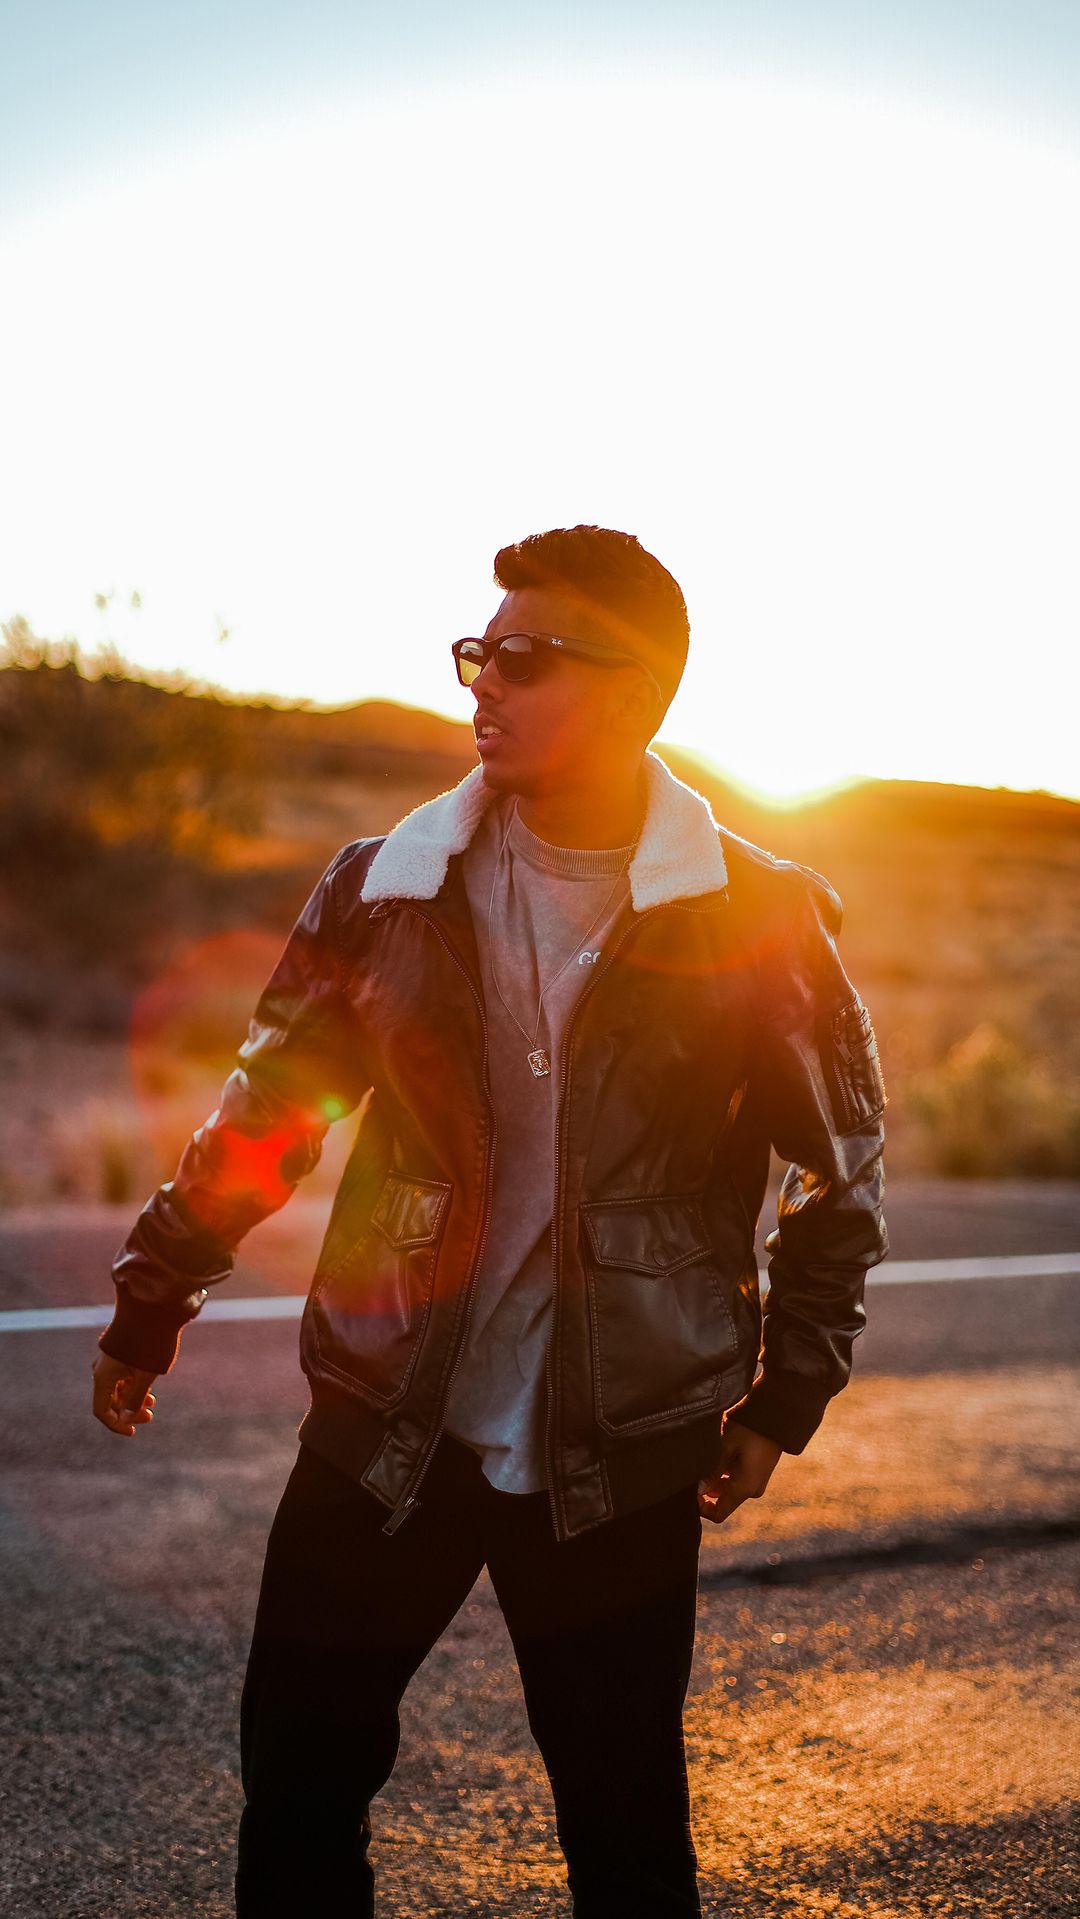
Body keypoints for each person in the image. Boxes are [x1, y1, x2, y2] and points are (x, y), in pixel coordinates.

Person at [91, 524, 889, 1917]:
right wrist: (155, 1292)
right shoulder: (387, 887)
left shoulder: (754, 916)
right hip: (387, 1410)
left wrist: (787, 1394)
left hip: (621, 1440)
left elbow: (840, 1168)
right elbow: (272, 1108)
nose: (485, 685)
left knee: (623, 1826)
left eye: (526, 658)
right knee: (298, 1788)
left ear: (634, 693)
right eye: (479, 653)